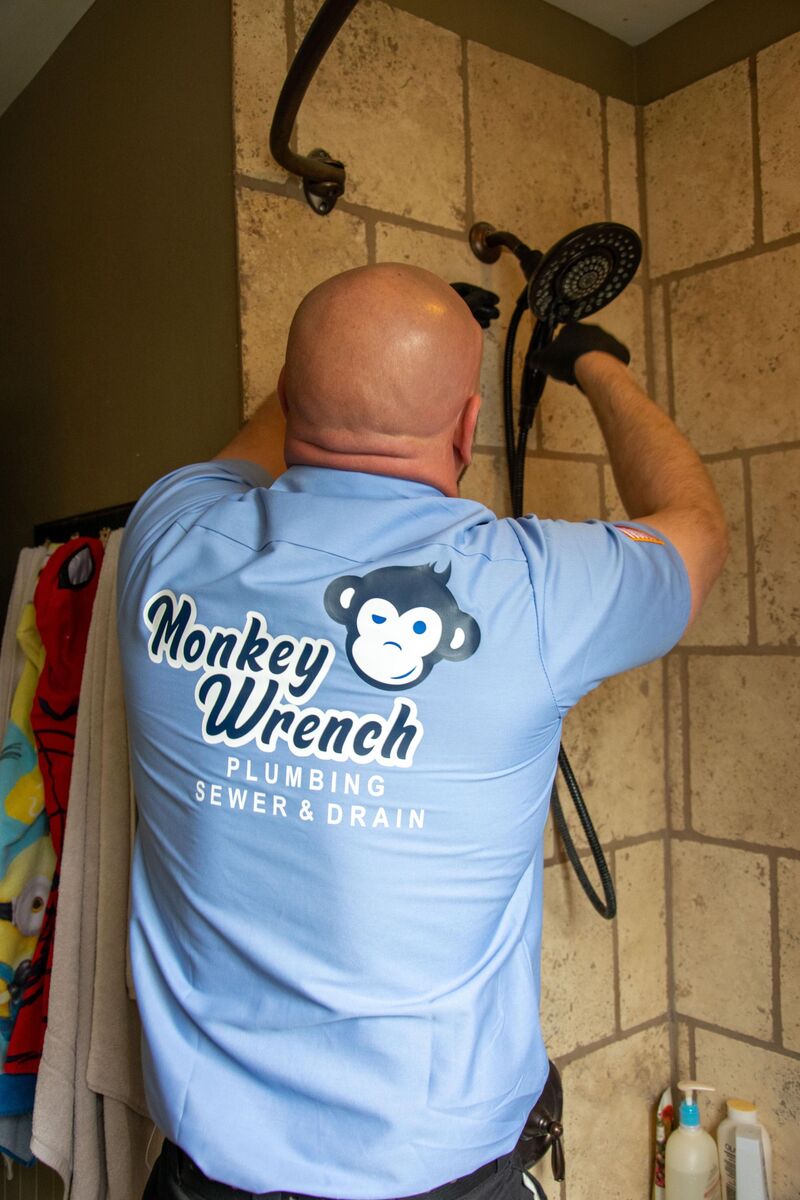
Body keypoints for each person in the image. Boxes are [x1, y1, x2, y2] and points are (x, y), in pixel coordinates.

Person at [117, 264, 727, 1200]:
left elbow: (253, 444)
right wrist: (593, 361)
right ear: (469, 427)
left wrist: (343, 363)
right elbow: (696, 530)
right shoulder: (531, 590)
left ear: (289, 392)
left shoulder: (164, 539)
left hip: (200, 1180)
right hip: (440, 1179)